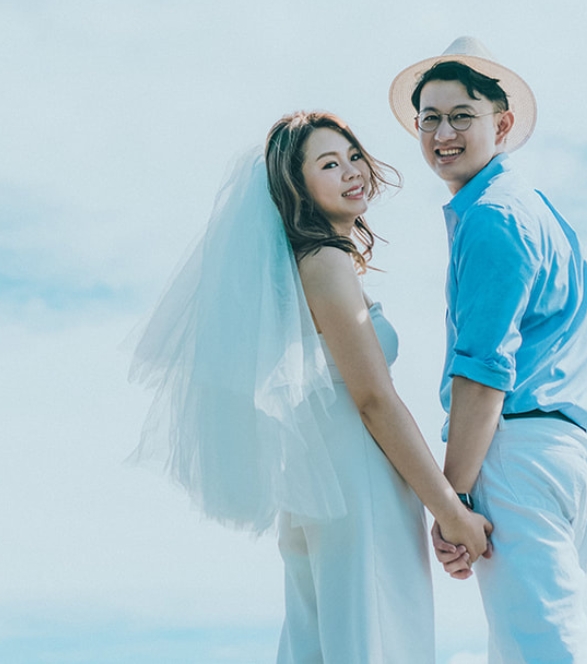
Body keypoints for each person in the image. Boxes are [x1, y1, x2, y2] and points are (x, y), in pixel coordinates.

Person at [129, 111, 491, 663]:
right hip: (358, 478)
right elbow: (373, 399)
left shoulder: (304, 267)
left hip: (322, 485)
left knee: (322, 643)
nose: (352, 171)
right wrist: (450, 510)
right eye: (328, 164)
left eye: (351, 156)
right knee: (376, 638)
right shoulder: (325, 263)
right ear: (297, 188)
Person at [388, 37, 587, 663]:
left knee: (540, 650)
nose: (442, 132)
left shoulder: (492, 215)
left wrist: (453, 499)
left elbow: (484, 371)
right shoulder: (533, 210)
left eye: (462, 115)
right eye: (429, 118)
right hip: (573, 457)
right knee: (536, 645)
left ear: (502, 123)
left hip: (520, 454)